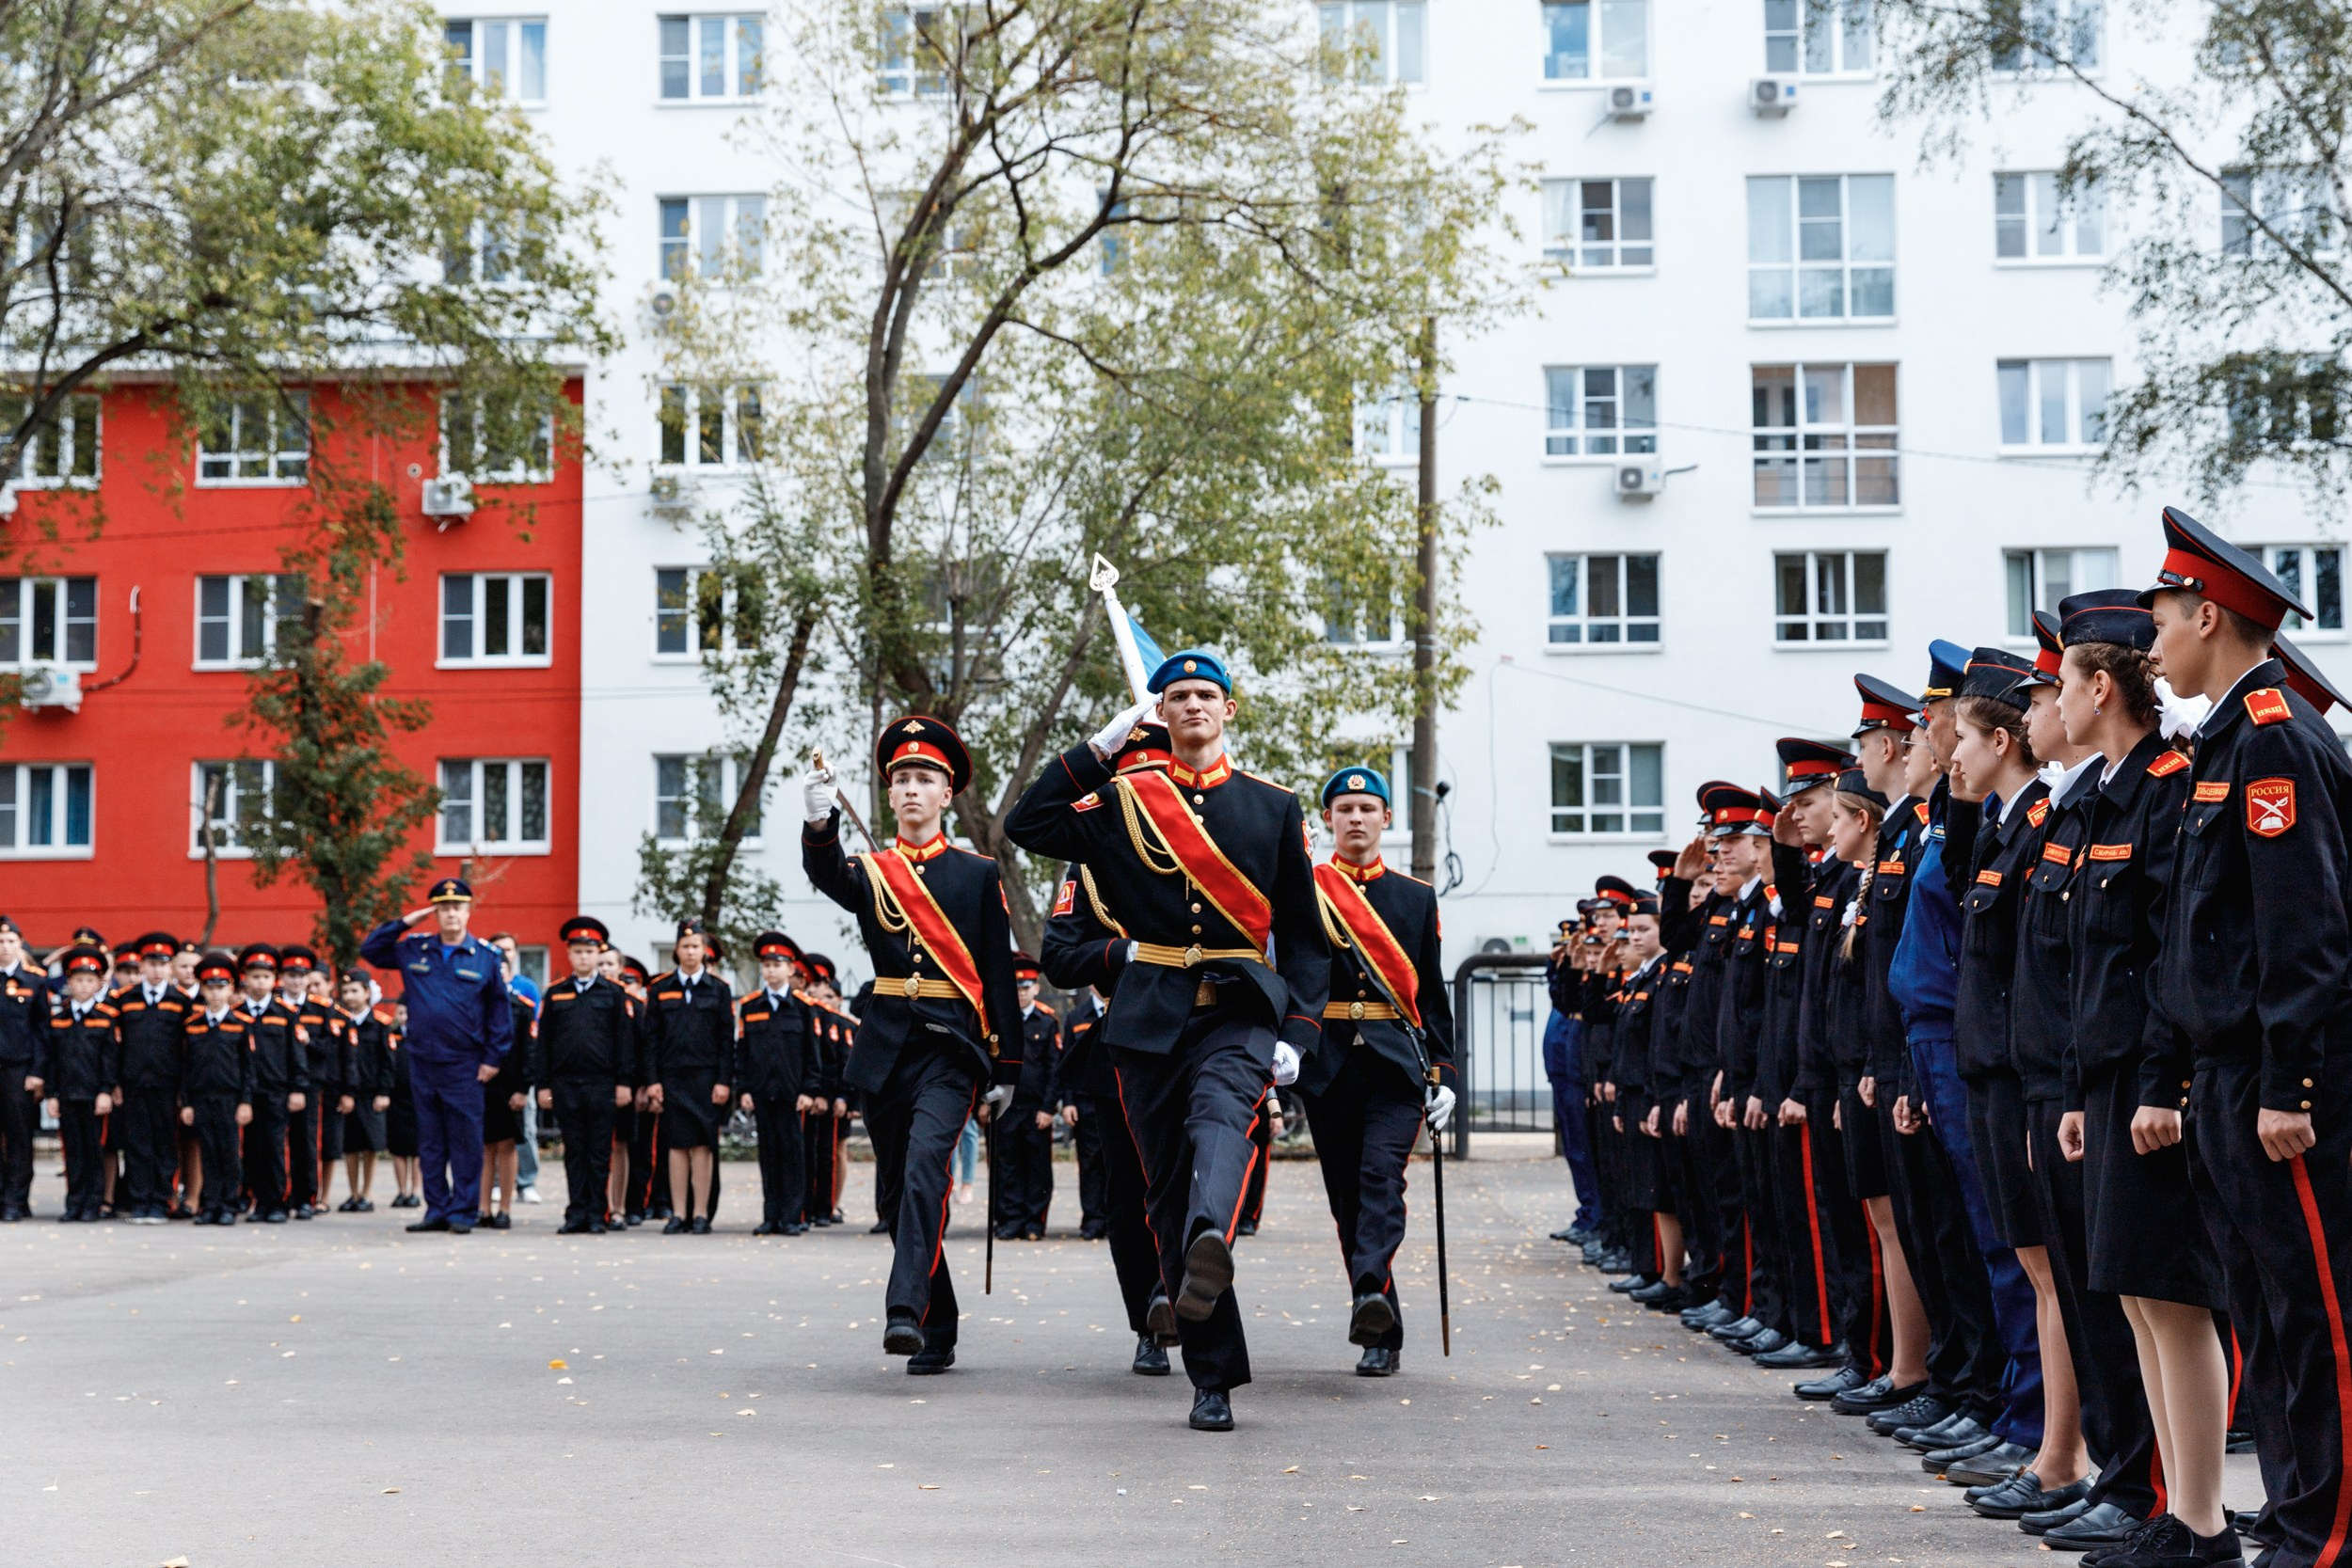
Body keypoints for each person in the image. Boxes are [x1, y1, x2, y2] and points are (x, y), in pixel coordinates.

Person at [1003, 651, 1330, 1432]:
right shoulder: (1123, 799)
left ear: (1229, 710)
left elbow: (1306, 937)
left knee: (1222, 1117)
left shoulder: (1271, 806)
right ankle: (1209, 1379)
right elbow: (1028, 824)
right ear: (1162, 712)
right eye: (1177, 696)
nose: (1192, 706)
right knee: (1164, 1194)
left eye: (1205, 695)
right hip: (1150, 1018)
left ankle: (1212, 1233)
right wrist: (1098, 748)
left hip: (1239, 1009)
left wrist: (1299, 1032)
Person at [2143, 506, 2352, 1568]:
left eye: (2163, 621)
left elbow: (2302, 932)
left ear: (2210, 615)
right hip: (2224, 1078)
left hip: (2277, 1089)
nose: (2153, 647)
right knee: (2265, 1317)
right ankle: (2293, 1512)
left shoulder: (2271, 735)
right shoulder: (2226, 738)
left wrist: (2289, 1082)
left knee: (2315, 1316)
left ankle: (2330, 1529)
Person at [803, 714, 1023, 1375]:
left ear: (945, 793)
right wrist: (819, 825)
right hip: (888, 1045)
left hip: (952, 1046)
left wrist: (1008, 1065)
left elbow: (998, 973)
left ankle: (904, 1309)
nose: (910, 788)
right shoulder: (873, 870)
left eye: (924, 777)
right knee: (900, 1193)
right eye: (900, 777)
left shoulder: (976, 873)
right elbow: (827, 875)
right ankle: (940, 1321)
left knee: (929, 1168)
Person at [1295, 766, 1457, 1377]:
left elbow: (1433, 995)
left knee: (1379, 1180)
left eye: (1367, 807)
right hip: (1328, 1062)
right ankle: (1378, 1319)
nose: (1356, 817)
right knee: (1347, 1200)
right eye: (1344, 808)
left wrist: (1446, 1074)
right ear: (1329, 820)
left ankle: (1368, 1284)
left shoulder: (1414, 897)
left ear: (1387, 817)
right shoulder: (1307, 889)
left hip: (1394, 1062)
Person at [1042, 852, 1180, 1376]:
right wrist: (1124, 953)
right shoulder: (1089, 866)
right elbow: (1058, 954)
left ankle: (1180, 1297)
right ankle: (1149, 1323)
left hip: (1196, 1042)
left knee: (1195, 1183)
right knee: (1127, 1200)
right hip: (1120, 1050)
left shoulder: (1205, 833)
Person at [359, 879, 514, 1235]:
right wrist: (408, 921)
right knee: (429, 1140)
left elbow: (499, 1014)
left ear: (467, 910)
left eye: (456, 907)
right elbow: (372, 949)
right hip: (423, 1060)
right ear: (435, 912)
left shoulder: (486, 957)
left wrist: (493, 1059)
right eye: (443, 908)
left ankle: (463, 1211)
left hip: (465, 1063)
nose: (450, 914)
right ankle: (436, 1209)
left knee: (465, 1140)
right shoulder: (416, 948)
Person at [535, 917, 646, 1235]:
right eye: (577, 952)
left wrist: (624, 1083)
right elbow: (544, 1044)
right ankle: (576, 1213)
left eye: (589, 951)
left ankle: (599, 1213)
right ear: (569, 955)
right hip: (564, 1086)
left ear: (598, 954)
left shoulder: (613, 993)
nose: (583, 957)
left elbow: (625, 1043)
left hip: (603, 1085)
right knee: (573, 1150)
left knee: (599, 1151)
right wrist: (543, 1086)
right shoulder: (556, 994)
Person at [644, 918, 734, 1233]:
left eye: (696, 946)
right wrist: (653, 1081)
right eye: (685, 946)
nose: (691, 951)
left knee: (702, 1146)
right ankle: (678, 1212)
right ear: (676, 950)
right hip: (671, 1079)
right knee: (676, 1146)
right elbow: (650, 1040)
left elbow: (727, 1040)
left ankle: (700, 1214)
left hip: (707, 1080)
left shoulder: (719, 990)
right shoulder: (660, 989)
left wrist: (724, 1081)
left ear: (705, 950)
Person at [737, 930, 820, 1237]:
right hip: (762, 1091)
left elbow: (813, 1054)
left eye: (777, 964)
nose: (771, 970)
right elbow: (742, 1053)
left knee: (793, 1157)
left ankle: (791, 1216)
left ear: (790, 969)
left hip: (792, 1094)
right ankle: (771, 1215)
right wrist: (743, 1088)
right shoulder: (750, 1007)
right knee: (768, 1156)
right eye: (766, 965)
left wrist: (810, 1090)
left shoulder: (803, 1007)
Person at [108, 931, 190, 1224]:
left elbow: (187, 1049)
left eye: (163, 964)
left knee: (165, 1144)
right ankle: (139, 1201)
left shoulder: (180, 1001)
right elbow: (114, 1045)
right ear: (141, 966)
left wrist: (184, 1090)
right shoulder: (124, 999)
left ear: (170, 967)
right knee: (137, 1144)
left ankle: (160, 1201)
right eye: (151, 963)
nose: (157, 970)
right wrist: (114, 1082)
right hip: (133, 1084)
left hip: (167, 1085)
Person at [36, 943, 117, 1221]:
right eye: (78, 980)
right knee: (72, 1151)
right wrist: (53, 1094)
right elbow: (53, 1061)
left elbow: (110, 1060)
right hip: (68, 1094)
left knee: (94, 1149)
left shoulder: (106, 1019)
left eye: (89, 981)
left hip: (95, 1096)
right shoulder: (59, 1020)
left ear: (98, 984)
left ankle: (92, 1204)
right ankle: (74, 1202)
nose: (83, 986)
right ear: (69, 982)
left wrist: (106, 1091)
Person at [233, 943, 309, 1224]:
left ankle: (277, 1201)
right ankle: (258, 1200)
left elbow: (297, 1054)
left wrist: (298, 1088)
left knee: (276, 1147)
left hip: (277, 1091)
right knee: (252, 1148)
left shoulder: (285, 1013)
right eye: (254, 976)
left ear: (274, 979)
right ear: (245, 979)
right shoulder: (237, 1013)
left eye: (265, 977)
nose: (260, 982)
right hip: (247, 1093)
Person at [180, 953, 254, 1225]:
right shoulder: (192, 1026)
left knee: (229, 1152)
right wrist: (186, 1102)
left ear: (231, 989)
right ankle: (209, 1204)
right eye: (210, 988)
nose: (215, 993)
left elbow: (248, 1068)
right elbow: (186, 1068)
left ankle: (228, 1204)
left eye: (221, 987)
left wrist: (246, 1101)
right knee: (207, 1152)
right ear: (202, 989)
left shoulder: (241, 1024)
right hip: (201, 1097)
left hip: (230, 1099)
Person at [993, 955, 1061, 1242]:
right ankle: (1011, 1220)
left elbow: (1054, 1068)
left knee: (1037, 1168)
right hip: (1006, 1106)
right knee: (1007, 1167)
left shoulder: (1046, 1022)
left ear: (1035, 988)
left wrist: (1048, 1108)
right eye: (1016, 987)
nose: (1020, 993)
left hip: (1035, 1109)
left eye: (1026, 987)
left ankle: (1034, 1222)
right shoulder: (1000, 1020)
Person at [477, 949, 538, 1230]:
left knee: (506, 1146)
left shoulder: (521, 1007)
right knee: (483, 1147)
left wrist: (523, 1089)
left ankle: (504, 1209)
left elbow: (529, 1051)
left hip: (510, 1087)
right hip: (480, 1084)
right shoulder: (475, 1005)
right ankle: (482, 1208)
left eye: (501, 972)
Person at [335, 970, 394, 1212]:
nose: (349, 996)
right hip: (347, 1092)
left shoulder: (381, 1024)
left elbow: (388, 1061)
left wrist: (384, 1092)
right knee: (350, 1146)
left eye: (354, 991)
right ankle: (353, 1193)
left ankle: (367, 1194)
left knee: (371, 1145)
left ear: (367, 993)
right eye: (346, 991)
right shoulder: (339, 1022)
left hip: (371, 1093)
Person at [0, 916, 45, 1220]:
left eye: (10, 942)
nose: (4, 947)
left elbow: (43, 1030)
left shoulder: (34, 980)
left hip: (18, 1070)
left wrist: (37, 1071)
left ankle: (16, 1200)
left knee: (19, 1137)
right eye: (0, 942)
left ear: (20, 943)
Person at [383, 999, 421, 1208]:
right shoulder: (391, 1035)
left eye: (408, 1013)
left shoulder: (422, 1036)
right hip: (396, 1097)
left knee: (416, 1149)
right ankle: (401, 1190)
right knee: (398, 1148)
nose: (404, 1017)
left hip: (417, 1097)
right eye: (401, 1013)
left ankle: (415, 1191)